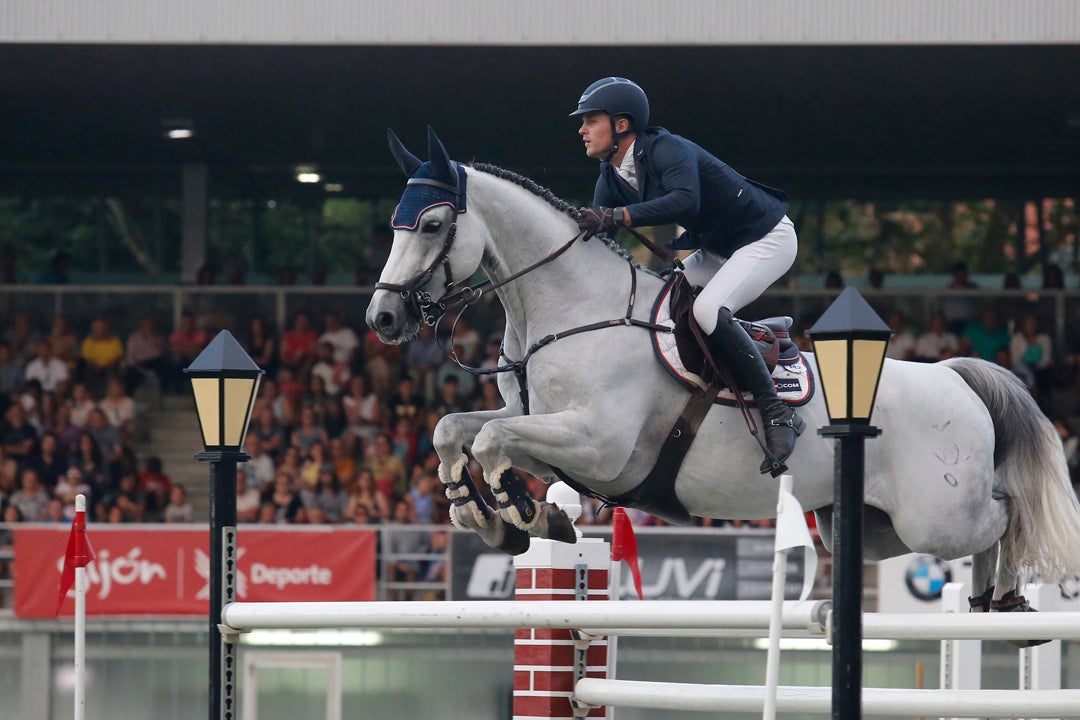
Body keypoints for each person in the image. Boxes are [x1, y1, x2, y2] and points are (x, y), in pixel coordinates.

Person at [570, 77, 803, 473]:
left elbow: (684, 199)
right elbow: (595, 241)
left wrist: (618, 215)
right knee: (661, 304)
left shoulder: (665, 148)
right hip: (719, 249)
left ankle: (777, 412)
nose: (581, 129)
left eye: (591, 120)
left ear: (621, 124)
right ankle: (763, 336)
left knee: (708, 311)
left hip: (766, 237)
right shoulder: (610, 179)